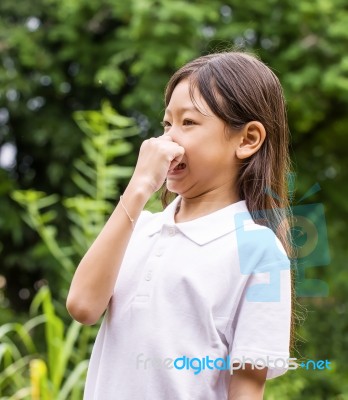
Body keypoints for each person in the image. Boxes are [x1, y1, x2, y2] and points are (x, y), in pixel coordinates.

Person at [66, 51, 294, 400]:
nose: (168, 140)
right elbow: (82, 306)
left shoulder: (259, 250)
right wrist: (138, 187)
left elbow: (247, 386)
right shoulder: (137, 227)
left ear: (247, 139)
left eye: (188, 123)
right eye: (166, 124)